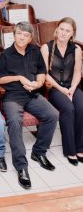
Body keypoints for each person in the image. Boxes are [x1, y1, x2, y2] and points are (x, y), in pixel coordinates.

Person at [0, 22, 58, 190]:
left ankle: (39, 152)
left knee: (52, 114)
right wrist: (19, 78)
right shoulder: (6, 55)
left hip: (32, 94)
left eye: (26, 35)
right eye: (19, 34)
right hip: (13, 96)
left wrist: (37, 84)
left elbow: (41, 73)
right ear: (14, 35)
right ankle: (21, 166)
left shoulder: (35, 52)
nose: (21, 37)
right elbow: (0, 79)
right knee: (15, 121)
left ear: (30, 38)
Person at [40, 18, 83, 166]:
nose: (64, 33)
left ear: (72, 34)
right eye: (62, 29)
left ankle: (80, 148)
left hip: (72, 86)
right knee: (68, 109)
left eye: (68, 31)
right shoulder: (46, 47)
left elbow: (77, 72)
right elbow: (45, 74)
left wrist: (72, 88)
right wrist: (62, 89)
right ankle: (70, 150)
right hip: (55, 88)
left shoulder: (77, 49)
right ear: (57, 29)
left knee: (81, 107)